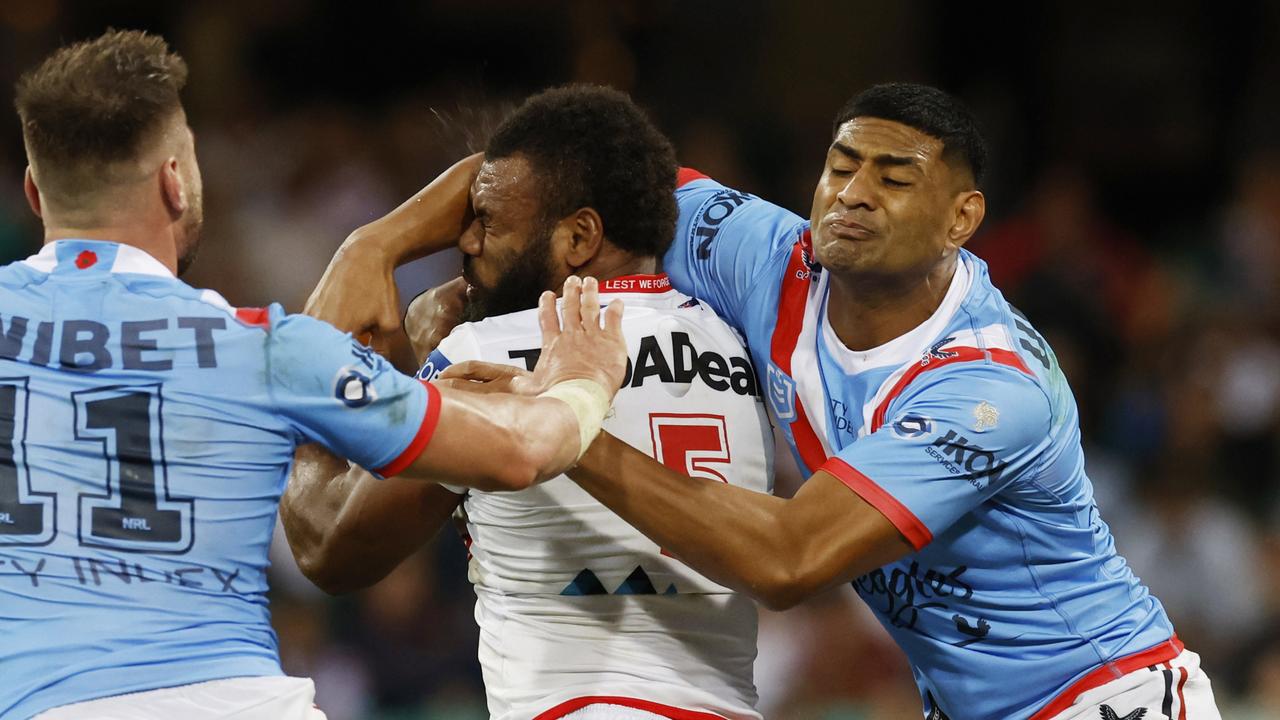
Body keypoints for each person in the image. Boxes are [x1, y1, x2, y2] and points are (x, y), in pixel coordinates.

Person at [309, 83, 1223, 719]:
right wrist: (374, 244)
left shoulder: (989, 385)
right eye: (841, 166)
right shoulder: (770, 259)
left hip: (1106, 697)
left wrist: (560, 420)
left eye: (894, 178)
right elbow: (560, 170)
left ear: (963, 219)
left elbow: (792, 559)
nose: (853, 194)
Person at [1, 30, 627, 720]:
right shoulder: (261, 347)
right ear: (175, 180)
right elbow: (520, 452)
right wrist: (584, 377)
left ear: (35, 191)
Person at [281, 85, 775, 720]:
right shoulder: (735, 340)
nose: (466, 242)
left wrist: (326, 350)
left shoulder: (490, 346)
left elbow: (326, 543)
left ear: (578, 238)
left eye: (486, 221)